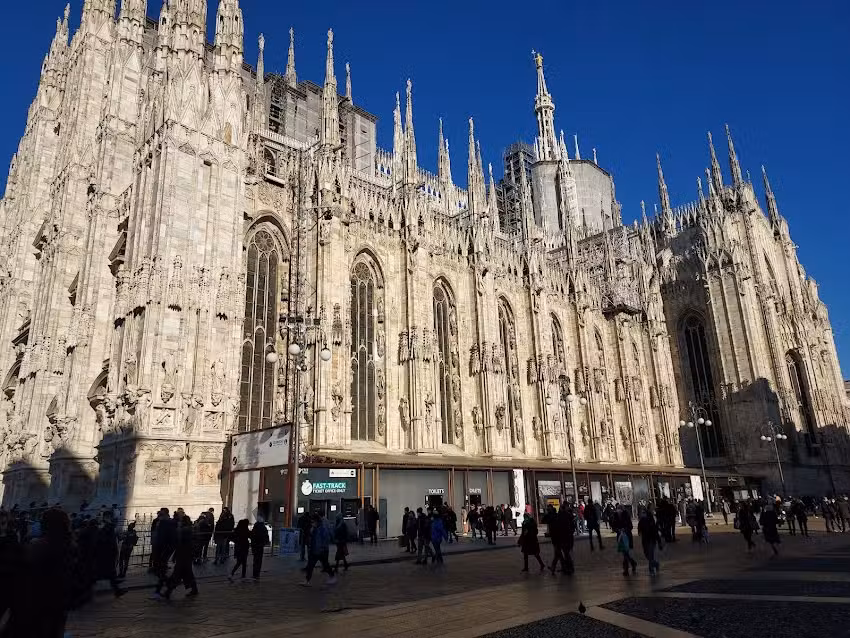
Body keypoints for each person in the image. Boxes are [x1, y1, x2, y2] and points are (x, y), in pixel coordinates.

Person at [4, 508, 75, 638]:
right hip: (55, 611)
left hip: (30, 610)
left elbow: (19, 578)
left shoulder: (37, 547)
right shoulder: (70, 547)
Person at [161, 515, 198, 599]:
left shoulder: (183, 531)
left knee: (177, 574)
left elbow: (180, 544)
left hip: (183, 555)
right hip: (186, 555)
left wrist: (175, 555)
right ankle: (194, 589)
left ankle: (168, 591)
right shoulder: (189, 530)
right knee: (187, 573)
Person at [302, 513, 336, 587]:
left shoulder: (322, 529)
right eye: (311, 522)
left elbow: (326, 539)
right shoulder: (314, 529)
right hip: (315, 550)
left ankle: (332, 576)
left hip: (322, 551)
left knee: (325, 565)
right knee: (310, 565)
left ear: (317, 521)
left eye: (313, 522)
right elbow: (312, 539)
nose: (312, 523)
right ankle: (307, 580)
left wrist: (322, 547)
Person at [637, 508, 663, 576]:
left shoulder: (651, 521)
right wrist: (640, 532)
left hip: (651, 540)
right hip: (645, 540)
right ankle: (656, 564)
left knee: (650, 555)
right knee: (647, 555)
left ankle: (651, 570)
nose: (642, 514)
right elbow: (639, 529)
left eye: (643, 513)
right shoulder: (641, 521)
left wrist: (659, 542)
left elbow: (655, 532)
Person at [616, 506, 637, 576]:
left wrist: (625, 529)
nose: (618, 511)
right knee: (625, 553)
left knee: (626, 553)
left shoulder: (626, 516)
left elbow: (630, 526)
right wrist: (618, 530)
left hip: (627, 537)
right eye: (617, 510)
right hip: (621, 537)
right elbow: (614, 525)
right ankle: (633, 563)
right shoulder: (616, 517)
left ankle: (626, 569)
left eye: (619, 510)